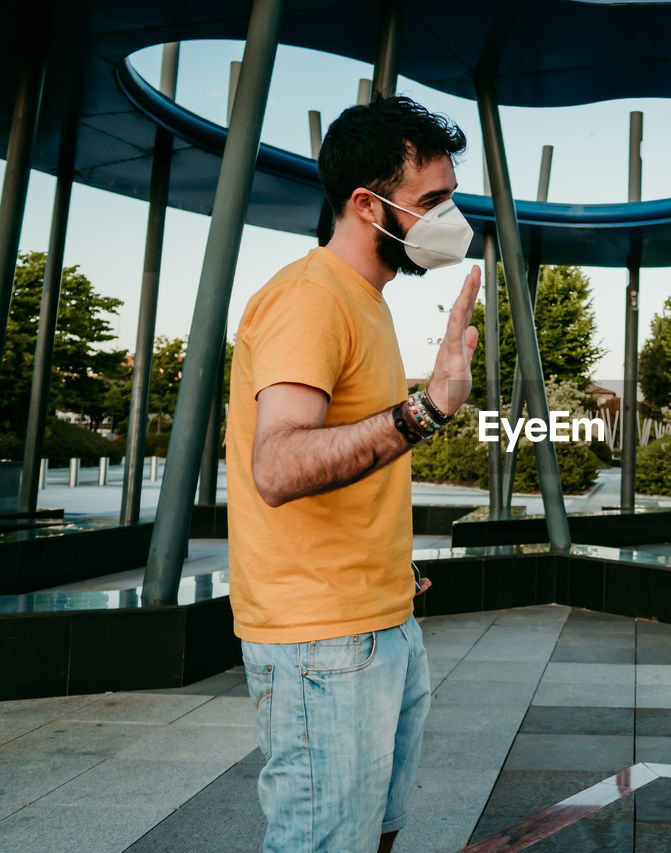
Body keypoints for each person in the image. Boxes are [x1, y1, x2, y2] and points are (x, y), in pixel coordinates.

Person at [225, 95, 481, 853]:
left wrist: (386, 565)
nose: (450, 218)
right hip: (322, 644)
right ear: (367, 205)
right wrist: (425, 411)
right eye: (431, 201)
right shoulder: (309, 298)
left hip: (379, 619)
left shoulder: (365, 300)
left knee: (372, 833)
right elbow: (277, 464)